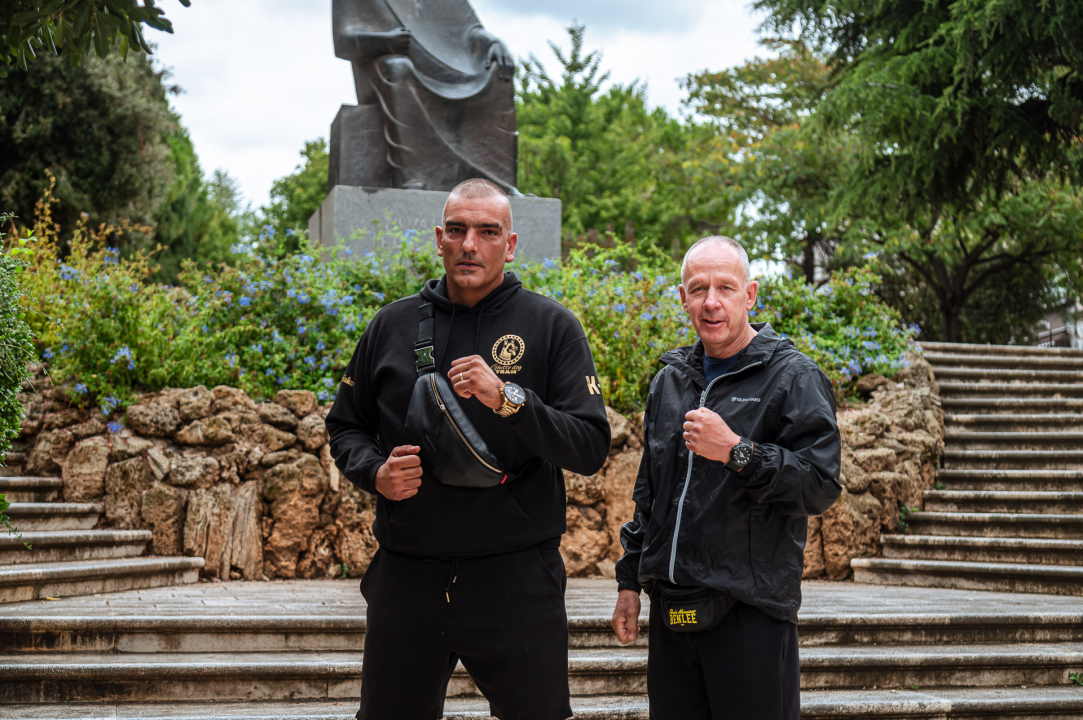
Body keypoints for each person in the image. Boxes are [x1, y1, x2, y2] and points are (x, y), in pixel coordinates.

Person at [326, 178, 610, 720]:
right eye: (456, 231)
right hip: (408, 575)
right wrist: (376, 473)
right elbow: (345, 427)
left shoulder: (553, 328)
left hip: (516, 576)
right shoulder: (391, 325)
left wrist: (508, 401)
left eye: (487, 231)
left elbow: (590, 446)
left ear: (511, 243)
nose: (469, 245)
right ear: (438, 238)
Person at [610, 236, 842, 720]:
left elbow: (820, 485)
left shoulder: (793, 377)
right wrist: (629, 582)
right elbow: (650, 495)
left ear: (751, 295)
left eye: (726, 287)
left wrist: (737, 452)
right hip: (673, 614)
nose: (711, 302)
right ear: (682, 299)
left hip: (750, 613)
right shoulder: (669, 381)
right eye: (698, 289)